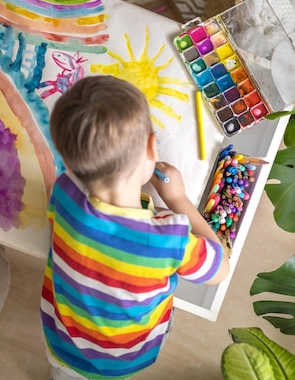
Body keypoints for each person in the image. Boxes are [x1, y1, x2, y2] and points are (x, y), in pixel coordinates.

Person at [40, 75, 230, 380]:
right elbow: (220, 268)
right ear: (152, 147)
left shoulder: (64, 190)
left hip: (61, 342)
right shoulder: (170, 238)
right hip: (122, 360)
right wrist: (179, 199)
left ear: (70, 163)